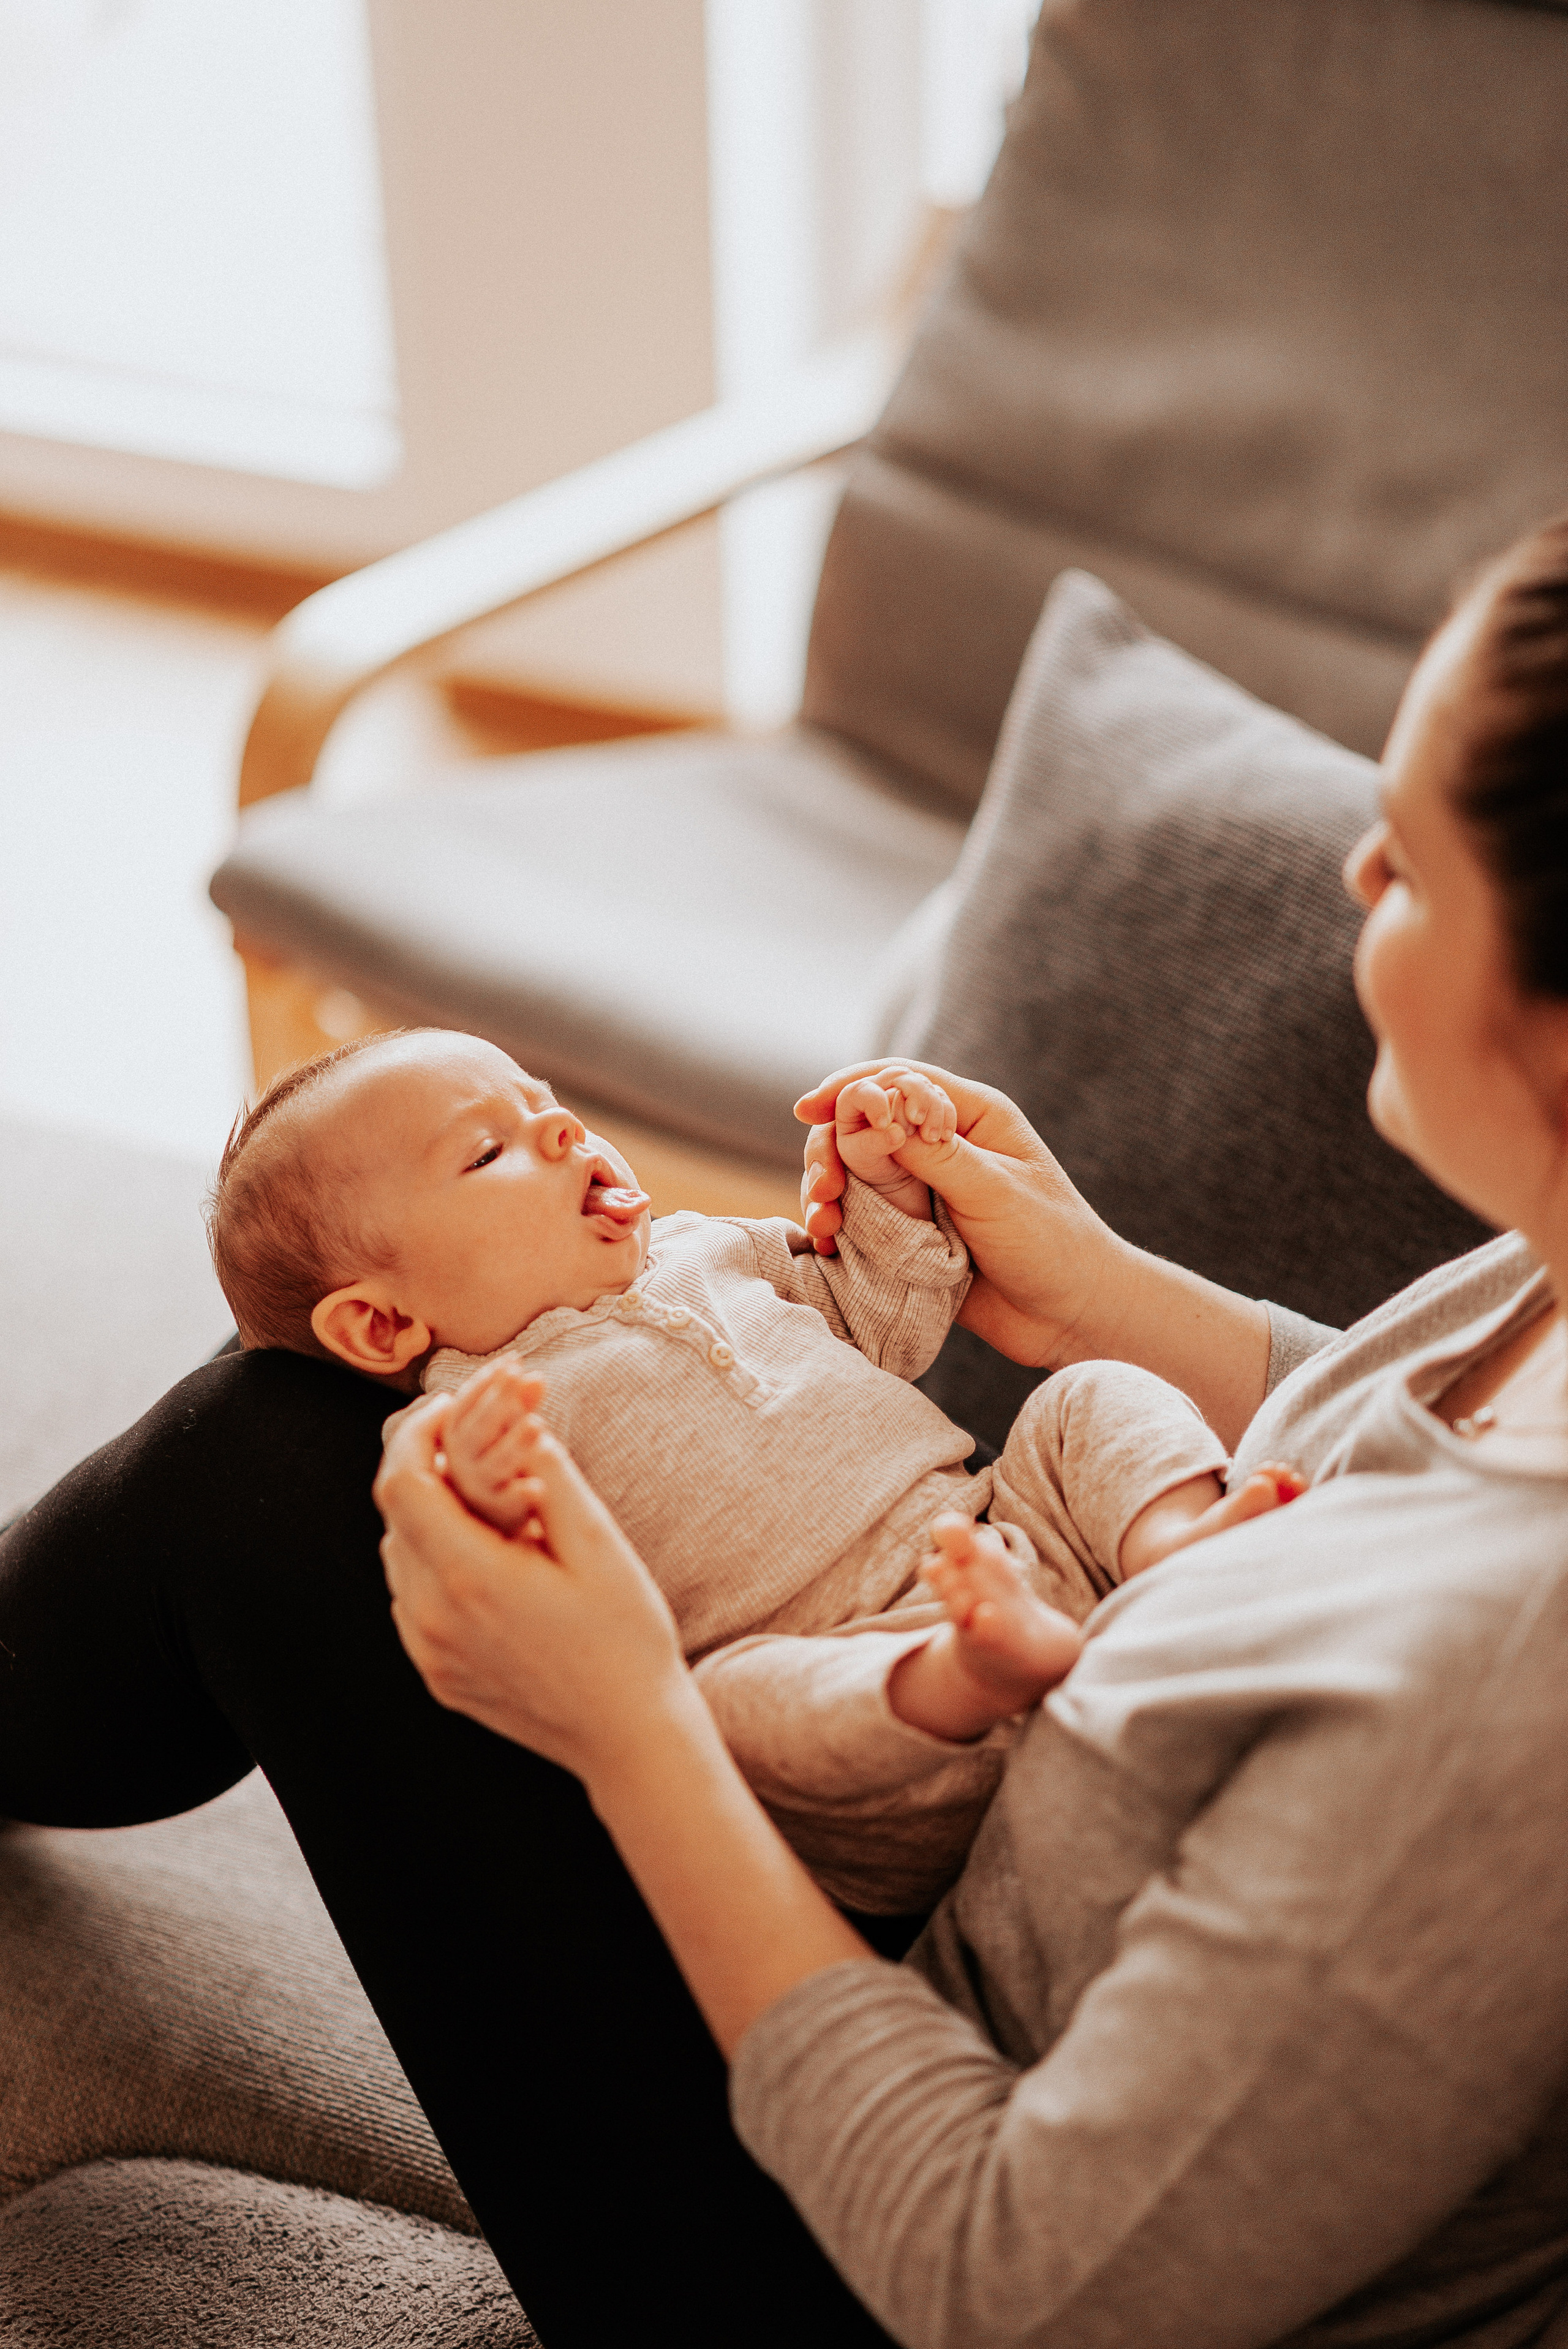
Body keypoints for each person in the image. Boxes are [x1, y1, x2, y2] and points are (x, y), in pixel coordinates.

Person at [2, 513, 1567, 2348]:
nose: (1360, 867)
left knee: (269, 1476)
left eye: (1421, 859)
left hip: (874, 2267)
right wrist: (1095, 1295)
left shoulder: (1507, 1696)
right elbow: (1394, 1465)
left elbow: (1009, 2282)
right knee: (298, 1438)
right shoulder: (1536, 1281)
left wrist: (633, 1725)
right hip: (985, 1831)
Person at [202, 1029, 1294, 1910]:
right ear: (385, 1323)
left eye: (547, 1104)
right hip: (845, 1700)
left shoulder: (711, 1249)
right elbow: (484, 1602)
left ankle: (1172, 1546)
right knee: (725, 1709)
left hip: (993, 1529)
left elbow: (882, 1311)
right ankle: (972, 1671)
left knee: (1084, 1397)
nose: (563, 1132)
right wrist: (485, 1493)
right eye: (489, 1152)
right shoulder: (458, 1421)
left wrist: (890, 1190)